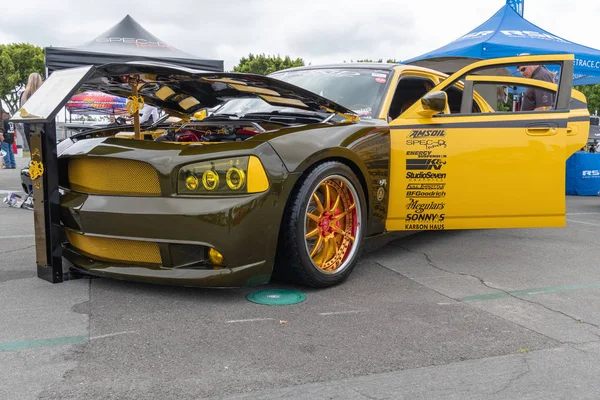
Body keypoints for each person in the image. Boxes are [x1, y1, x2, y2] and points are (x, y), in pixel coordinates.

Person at [20, 72, 43, 150]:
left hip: (27, 125)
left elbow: (22, 112)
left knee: (33, 151)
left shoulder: (24, 94)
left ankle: (34, 162)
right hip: (40, 125)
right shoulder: (42, 94)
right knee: (42, 150)